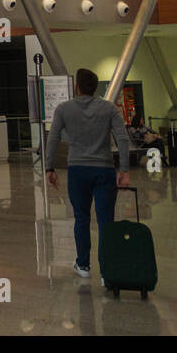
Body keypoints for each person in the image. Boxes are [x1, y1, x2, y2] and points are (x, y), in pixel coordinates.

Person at [45, 68, 131, 280]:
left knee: (81, 218)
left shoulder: (64, 109)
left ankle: (83, 265)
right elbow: (123, 138)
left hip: (77, 171)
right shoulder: (109, 108)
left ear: (77, 86)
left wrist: (49, 167)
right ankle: (106, 271)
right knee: (105, 221)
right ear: (95, 87)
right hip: (104, 170)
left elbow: (53, 137)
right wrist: (124, 169)